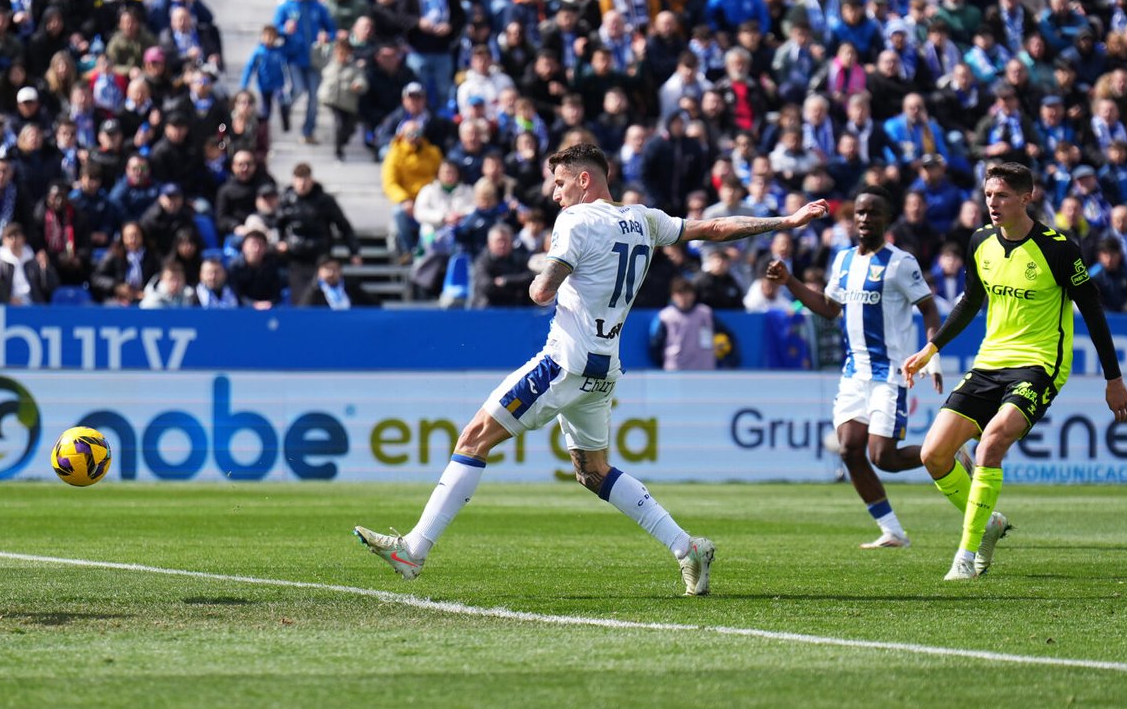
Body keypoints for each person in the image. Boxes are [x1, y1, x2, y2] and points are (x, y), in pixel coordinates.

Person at [355, 143, 830, 594]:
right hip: (604, 369)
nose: (555, 193)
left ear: (585, 180)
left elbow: (544, 290)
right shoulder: (644, 219)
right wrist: (787, 220)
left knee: (473, 440)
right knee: (593, 471)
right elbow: (715, 229)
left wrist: (537, 283)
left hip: (563, 362)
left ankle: (414, 550)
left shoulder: (576, 220)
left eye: (560, 183)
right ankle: (687, 548)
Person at [902, 163, 1127, 581]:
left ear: (1027, 198)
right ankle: (989, 523)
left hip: (1040, 365)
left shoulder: (1059, 247)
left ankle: (965, 556)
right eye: (989, 195)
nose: (992, 203)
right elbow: (970, 301)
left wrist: (1113, 379)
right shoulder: (979, 242)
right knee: (933, 455)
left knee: (990, 443)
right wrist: (930, 348)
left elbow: (1093, 312)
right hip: (990, 361)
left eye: (1003, 195)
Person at [766, 187, 947, 549]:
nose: (865, 219)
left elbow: (929, 309)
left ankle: (946, 450)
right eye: (860, 213)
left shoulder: (900, 263)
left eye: (873, 213)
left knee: (885, 457)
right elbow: (830, 308)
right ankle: (892, 531)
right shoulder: (845, 261)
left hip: (889, 372)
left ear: (887, 219)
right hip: (853, 375)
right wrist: (790, 282)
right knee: (849, 450)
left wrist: (932, 353)